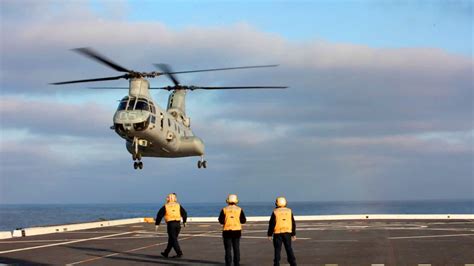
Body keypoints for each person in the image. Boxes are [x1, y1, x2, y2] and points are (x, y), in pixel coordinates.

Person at [155, 193, 187, 258]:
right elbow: (184, 213)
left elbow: (159, 215)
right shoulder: (178, 205)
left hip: (171, 225)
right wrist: (184, 221)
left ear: (168, 199)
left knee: (173, 239)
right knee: (172, 239)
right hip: (178, 225)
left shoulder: (166, 206)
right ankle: (166, 253)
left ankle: (179, 253)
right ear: (175, 199)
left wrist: (157, 224)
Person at [267, 196, 297, 266]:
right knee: (289, 249)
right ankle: (293, 263)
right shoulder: (289, 211)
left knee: (277, 250)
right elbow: (293, 223)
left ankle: (276, 263)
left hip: (277, 233)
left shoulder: (275, 212)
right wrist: (293, 234)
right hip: (287, 233)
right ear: (285, 202)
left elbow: (271, 223)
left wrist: (269, 234)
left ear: (276, 203)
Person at [218, 194, 247, 266]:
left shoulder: (224, 209)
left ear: (228, 201)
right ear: (236, 201)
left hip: (227, 231)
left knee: (228, 249)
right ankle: (236, 263)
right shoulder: (239, 209)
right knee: (236, 248)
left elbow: (221, 221)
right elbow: (243, 220)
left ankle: (228, 264)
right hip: (237, 231)